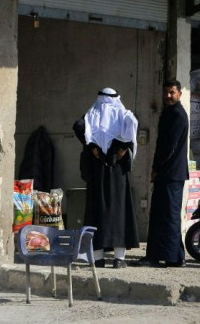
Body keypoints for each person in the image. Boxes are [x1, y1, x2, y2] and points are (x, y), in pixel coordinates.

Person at [73, 88, 139, 269]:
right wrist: (123, 148)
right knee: (119, 213)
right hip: (117, 174)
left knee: (97, 213)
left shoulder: (91, 115)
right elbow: (131, 128)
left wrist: (93, 147)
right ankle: (119, 259)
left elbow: (79, 127)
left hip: (98, 173)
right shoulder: (123, 115)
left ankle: (98, 259)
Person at [135, 79, 189, 268]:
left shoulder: (177, 116)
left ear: (179, 94)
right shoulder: (171, 113)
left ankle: (161, 256)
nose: (168, 96)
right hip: (171, 174)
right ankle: (175, 255)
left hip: (170, 174)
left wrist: (156, 168)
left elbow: (169, 148)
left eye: (172, 92)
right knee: (166, 214)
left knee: (166, 215)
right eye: (166, 92)